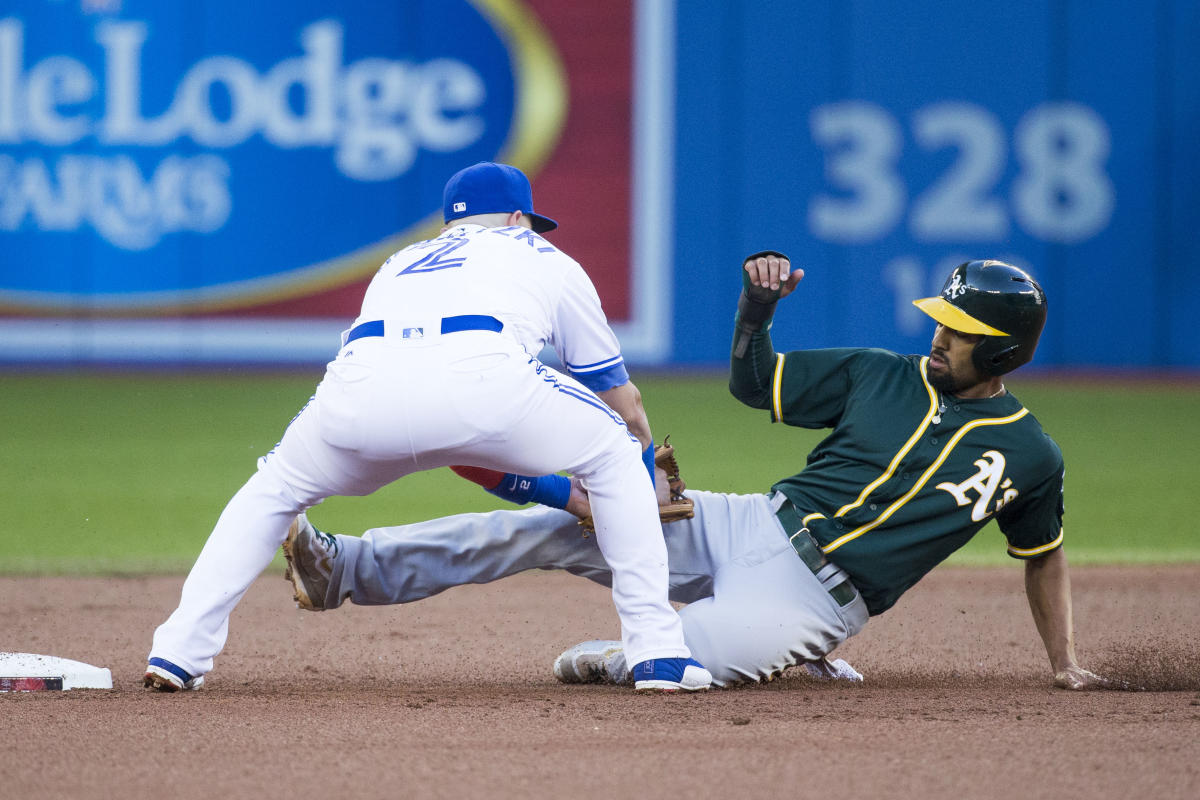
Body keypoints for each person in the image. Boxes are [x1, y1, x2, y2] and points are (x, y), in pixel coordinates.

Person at [280, 254, 1109, 691]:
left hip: (815, 597)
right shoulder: (877, 372)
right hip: (746, 520)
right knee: (547, 528)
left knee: (670, 665)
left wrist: (1063, 661)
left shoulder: (1031, 456)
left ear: (1001, 349)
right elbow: (755, 383)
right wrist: (759, 311)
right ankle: (345, 568)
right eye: (942, 319)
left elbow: (1046, 556)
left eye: (959, 331)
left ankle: (768, 654)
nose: (940, 336)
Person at [142, 162, 711, 693]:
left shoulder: (402, 261)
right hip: (483, 379)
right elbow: (618, 394)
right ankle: (656, 650)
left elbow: (446, 433)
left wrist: (562, 494)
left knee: (274, 489)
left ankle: (179, 650)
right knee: (611, 448)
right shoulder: (544, 255)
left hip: (359, 393)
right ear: (519, 218)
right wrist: (637, 468)